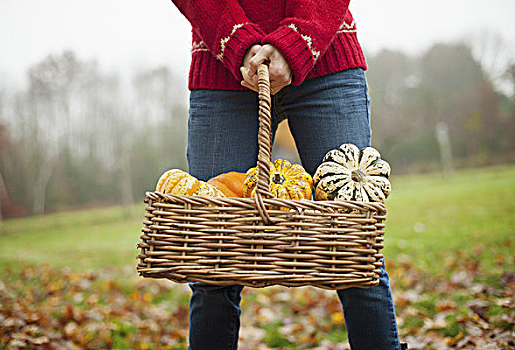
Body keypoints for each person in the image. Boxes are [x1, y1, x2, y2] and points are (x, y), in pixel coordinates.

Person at [171, 1, 404, 349]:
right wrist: (239, 42)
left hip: (326, 54)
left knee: (354, 243)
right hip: (221, 64)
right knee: (214, 261)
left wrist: (296, 41)